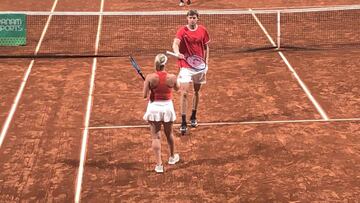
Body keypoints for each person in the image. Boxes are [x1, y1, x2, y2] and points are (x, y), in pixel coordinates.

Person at [172, 9, 210, 135]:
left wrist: (206, 63)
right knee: (183, 93)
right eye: (190, 17)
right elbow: (175, 44)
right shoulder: (182, 31)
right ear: (187, 19)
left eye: (194, 17)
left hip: (199, 66)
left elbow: (206, 47)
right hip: (186, 66)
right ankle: (183, 121)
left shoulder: (203, 30)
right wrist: (177, 53)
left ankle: (193, 116)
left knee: (197, 91)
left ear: (197, 18)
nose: (192, 19)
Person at [143, 53, 180, 173]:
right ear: (165, 64)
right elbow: (177, 88)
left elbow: (145, 95)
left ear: (156, 64)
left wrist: (149, 87)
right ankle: (172, 157)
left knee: (156, 137)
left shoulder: (150, 77)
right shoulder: (172, 77)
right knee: (169, 134)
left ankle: (159, 165)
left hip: (154, 108)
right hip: (167, 108)